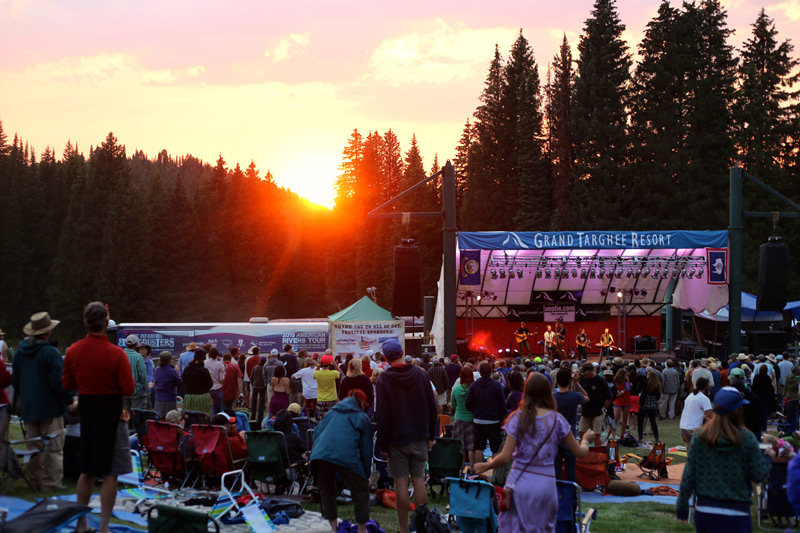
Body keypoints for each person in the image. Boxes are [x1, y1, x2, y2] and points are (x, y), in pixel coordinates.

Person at [473, 373, 595, 531]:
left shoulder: (517, 418)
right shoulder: (557, 420)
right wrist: (586, 439)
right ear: (548, 391)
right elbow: (580, 453)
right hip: (545, 484)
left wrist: (485, 466)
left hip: (518, 482)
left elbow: (504, 458)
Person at [62, 302, 135, 533]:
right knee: (110, 472)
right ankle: (104, 527)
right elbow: (129, 388)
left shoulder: (73, 351)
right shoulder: (116, 354)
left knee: (87, 470)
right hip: (113, 417)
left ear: (85, 322)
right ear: (106, 322)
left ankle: (81, 524)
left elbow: (67, 384)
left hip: (88, 416)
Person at [676, 387, 771, 530]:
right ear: (738, 410)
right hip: (737, 513)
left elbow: (689, 474)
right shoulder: (747, 439)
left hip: (705, 511)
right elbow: (758, 476)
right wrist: (768, 459)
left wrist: (682, 506)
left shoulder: (701, 436)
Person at [375, 338, 437, 533]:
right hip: (419, 435)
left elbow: (382, 415)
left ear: (385, 357)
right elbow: (431, 406)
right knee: (419, 480)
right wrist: (431, 435)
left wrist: (383, 446)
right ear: (402, 352)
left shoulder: (384, 379)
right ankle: (421, 526)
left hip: (396, 439)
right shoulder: (421, 374)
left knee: (400, 483)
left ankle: (403, 528)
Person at [12, 311, 73, 491]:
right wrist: (69, 399)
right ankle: (50, 484)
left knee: (33, 447)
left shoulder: (20, 353)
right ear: (47, 332)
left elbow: (15, 381)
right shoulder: (50, 352)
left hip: (29, 408)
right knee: (54, 448)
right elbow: (59, 382)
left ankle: (35, 481)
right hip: (51, 408)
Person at [311, 389, 373, 533]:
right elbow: (366, 449)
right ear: (362, 403)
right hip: (345, 455)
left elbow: (316, 433)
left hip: (320, 455)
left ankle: (332, 528)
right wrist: (365, 474)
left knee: (327, 491)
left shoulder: (331, 413)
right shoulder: (361, 417)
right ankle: (362, 530)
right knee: (361, 490)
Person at [465, 361, 507, 459]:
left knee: (479, 448)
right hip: (493, 421)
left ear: (480, 372)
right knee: (495, 448)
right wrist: (503, 420)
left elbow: (467, 403)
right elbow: (502, 405)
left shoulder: (474, 385)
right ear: (491, 372)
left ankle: (479, 471)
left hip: (479, 420)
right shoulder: (497, 386)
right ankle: (494, 471)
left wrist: (475, 411)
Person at [553, 368, 588, 482]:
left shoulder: (553, 397)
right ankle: (572, 494)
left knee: (556, 469)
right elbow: (587, 398)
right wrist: (577, 384)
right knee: (570, 469)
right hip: (570, 435)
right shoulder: (575, 396)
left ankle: (557, 494)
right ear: (569, 381)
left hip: (556, 436)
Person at [451, 365, 479, 466]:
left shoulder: (456, 389)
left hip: (458, 418)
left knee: (460, 446)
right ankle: (472, 467)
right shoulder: (474, 389)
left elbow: (453, 405)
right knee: (471, 446)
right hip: (471, 419)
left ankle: (461, 469)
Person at [579, 362, 612, 446]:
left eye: (585, 373)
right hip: (586, 411)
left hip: (597, 412)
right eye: (583, 373)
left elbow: (609, 397)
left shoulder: (600, 381)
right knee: (581, 433)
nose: (584, 375)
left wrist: (604, 409)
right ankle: (583, 452)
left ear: (591, 371)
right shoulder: (582, 378)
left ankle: (597, 454)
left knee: (596, 435)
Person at [679, 377, 713, 451]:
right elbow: (711, 416)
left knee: (690, 453)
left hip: (683, 427)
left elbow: (690, 411)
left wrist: (701, 417)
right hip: (692, 429)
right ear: (706, 386)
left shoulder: (690, 395)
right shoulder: (704, 398)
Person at [182, 350, 213, 416]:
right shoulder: (204, 370)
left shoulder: (187, 369)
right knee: (203, 418)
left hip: (189, 398)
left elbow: (183, 382)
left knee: (189, 417)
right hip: (202, 398)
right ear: (203, 359)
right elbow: (210, 385)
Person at [122, 334, 148, 413]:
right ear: (136, 344)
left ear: (126, 344)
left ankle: (127, 425)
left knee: (125, 414)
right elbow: (142, 375)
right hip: (136, 390)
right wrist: (144, 386)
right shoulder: (138, 356)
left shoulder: (120, 354)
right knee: (136, 414)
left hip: (123, 390)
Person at [153, 351, 181, 417]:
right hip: (169, 399)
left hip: (158, 399)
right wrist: (178, 371)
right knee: (170, 419)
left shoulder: (157, 369)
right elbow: (180, 382)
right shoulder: (172, 371)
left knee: (159, 419)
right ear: (170, 359)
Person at [637, 369, 662, 442]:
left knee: (640, 421)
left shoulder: (646, 384)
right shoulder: (657, 385)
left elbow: (638, 390)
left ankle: (640, 438)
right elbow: (658, 397)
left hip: (644, 404)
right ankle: (656, 438)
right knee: (653, 422)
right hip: (652, 405)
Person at [314, 354, 342, 419]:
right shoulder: (333, 373)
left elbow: (316, 372)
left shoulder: (317, 373)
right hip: (332, 398)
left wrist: (318, 364)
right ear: (329, 364)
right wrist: (334, 363)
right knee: (332, 418)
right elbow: (339, 372)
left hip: (321, 399)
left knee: (320, 418)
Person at [751, 363, 774, 431]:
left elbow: (753, 387)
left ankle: (758, 425)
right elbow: (771, 388)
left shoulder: (756, 377)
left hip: (757, 396)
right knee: (764, 412)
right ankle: (764, 427)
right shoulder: (768, 378)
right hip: (765, 397)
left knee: (757, 412)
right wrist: (772, 396)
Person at [204, 347, 226, 415]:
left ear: (209, 354)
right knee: (218, 411)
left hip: (206, 390)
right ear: (217, 355)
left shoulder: (204, 363)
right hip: (217, 389)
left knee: (206, 410)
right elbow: (221, 380)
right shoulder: (220, 365)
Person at [612, 369, 631, 437]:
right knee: (615, 419)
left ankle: (622, 435)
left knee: (625, 419)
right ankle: (612, 434)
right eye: (626, 374)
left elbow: (628, 389)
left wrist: (629, 386)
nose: (627, 375)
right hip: (618, 401)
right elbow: (616, 395)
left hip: (626, 401)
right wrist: (623, 390)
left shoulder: (626, 381)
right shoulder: (616, 381)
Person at [250, 356, 268, 423]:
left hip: (255, 386)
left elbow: (251, 376)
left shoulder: (255, 367)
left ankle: (253, 416)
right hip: (262, 387)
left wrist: (252, 383)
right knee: (261, 402)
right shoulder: (264, 368)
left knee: (254, 401)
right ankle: (260, 416)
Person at [138, 344, 154, 408]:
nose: (141, 351)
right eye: (140, 350)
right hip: (138, 385)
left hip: (146, 385)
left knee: (147, 404)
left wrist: (150, 382)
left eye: (143, 349)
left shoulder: (149, 361)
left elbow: (150, 373)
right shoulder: (137, 360)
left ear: (147, 350)